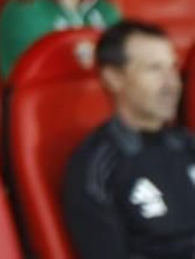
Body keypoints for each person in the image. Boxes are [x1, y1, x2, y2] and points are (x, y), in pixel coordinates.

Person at [62, 20, 195, 258]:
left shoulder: (187, 144)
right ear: (113, 78)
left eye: (173, 68)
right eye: (155, 69)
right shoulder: (96, 168)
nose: (172, 82)